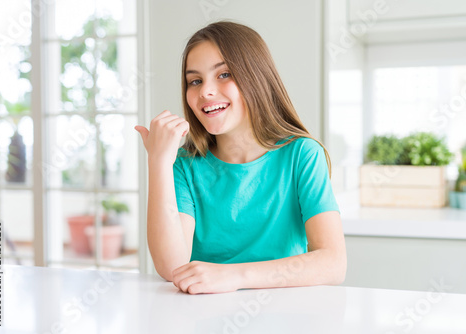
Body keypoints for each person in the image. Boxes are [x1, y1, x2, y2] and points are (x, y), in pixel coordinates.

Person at [135, 21, 346, 295]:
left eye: (224, 74)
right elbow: (171, 267)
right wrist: (159, 162)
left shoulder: (302, 155)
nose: (205, 91)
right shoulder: (185, 164)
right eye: (194, 81)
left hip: (286, 311)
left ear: (256, 77)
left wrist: (234, 276)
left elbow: (333, 263)